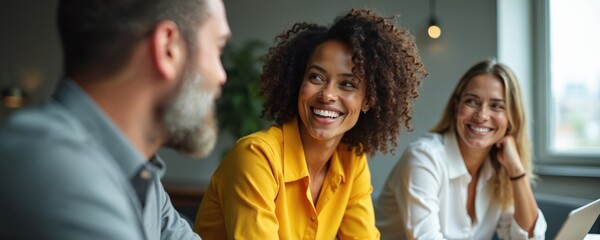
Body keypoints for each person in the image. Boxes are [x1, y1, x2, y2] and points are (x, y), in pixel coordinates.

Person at [0, 0, 230, 239]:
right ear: (168, 47)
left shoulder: (141, 178)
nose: (221, 76)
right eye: (218, 48)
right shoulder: (52, 166)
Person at [194, 8, 427, 239]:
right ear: (299, 84)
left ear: (368, 100)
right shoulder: (256, 157)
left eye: (347, 84)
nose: (327, 95)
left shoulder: (352, 160)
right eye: (316, 77)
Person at [376, 59, 547, 239]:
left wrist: (516, 170)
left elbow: (529, 237)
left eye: (496, 106)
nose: (481, 115)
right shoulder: (424, 157)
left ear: (512, 116)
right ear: (456, 106)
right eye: (472, 101)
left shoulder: (499, 169)